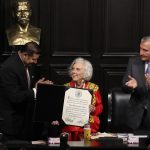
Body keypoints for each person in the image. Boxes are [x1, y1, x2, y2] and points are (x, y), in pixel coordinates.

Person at [0, 41, 52, 141]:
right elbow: (15, 97)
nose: (35, 62)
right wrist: (35, 90)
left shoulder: (27, 64)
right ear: (25, 55)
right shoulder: (8, 68)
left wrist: (38, 86)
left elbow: (26, 87)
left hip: (25, 122)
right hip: (12, 124)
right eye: (34, 59)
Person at [62, 57, 103, 141]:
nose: (74, 72)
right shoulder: (65, 87)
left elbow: (100, 106)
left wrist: (94, 109)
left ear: (85, 72)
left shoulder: (94, 88)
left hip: (87, 126)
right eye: (73, 69)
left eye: (78, 69)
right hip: (69, 125)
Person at [122, 36, 150, 131]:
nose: (141, 53)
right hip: (136, 117)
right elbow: (124, 86)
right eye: (140, 49)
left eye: (145, 50)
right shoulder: (133, 62)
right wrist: (133, 87)